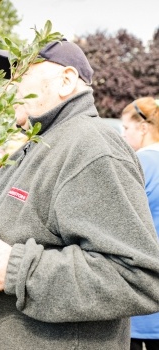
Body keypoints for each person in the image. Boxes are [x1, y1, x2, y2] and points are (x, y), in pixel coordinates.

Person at [0, 39, 159, 350]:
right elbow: (24, 227)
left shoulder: (90, 146)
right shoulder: (41, 143)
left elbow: (137, 279)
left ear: (66, 80)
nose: (10, 88)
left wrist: (13, 270)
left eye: (21, 76)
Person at [121, 97, 159, 350]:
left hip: (139, 295)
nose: (122, 135)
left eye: (125, 128)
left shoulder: (138, 165)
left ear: (143, 128)